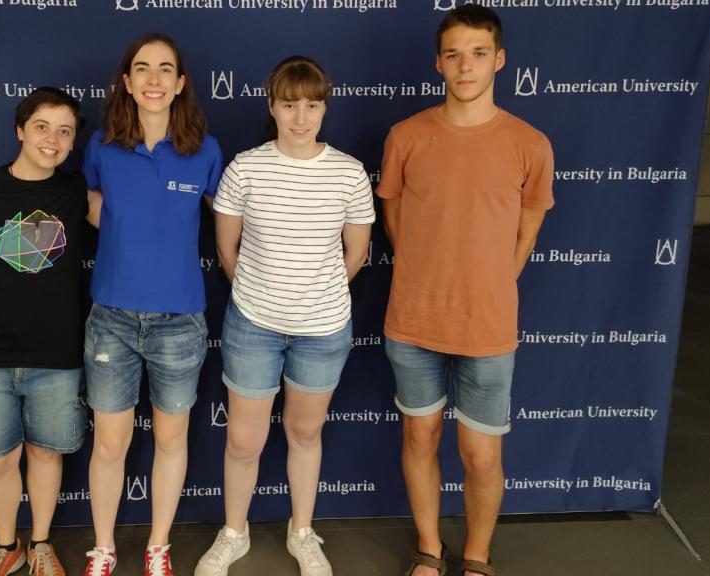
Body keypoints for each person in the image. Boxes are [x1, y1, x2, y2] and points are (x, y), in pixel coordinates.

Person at [376, 6, 555, 576]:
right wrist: (426, 271)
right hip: (414, 319)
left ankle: (477, 558)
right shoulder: (405, 136)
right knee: (420, 436)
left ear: (499, 60)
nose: (466, 65)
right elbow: (395, 217)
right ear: (438, 63)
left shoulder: (530, 144)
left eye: (478, 53)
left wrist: (489, 283)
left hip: (488, 325)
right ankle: (430, 550)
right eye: (453, 53)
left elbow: (526, 232)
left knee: (481, 453)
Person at [195, 56, 374, 576]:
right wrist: (265, 295)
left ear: (324, 107)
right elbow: (227, 249)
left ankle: (302, 533)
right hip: (253, 325)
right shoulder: (245, 168)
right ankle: (234, 532)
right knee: (243, 440)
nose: (301, 117)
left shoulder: (348, 172)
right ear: (271, 105)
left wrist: (310, 297)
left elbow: (356, 255)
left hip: (323, 331)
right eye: (290, 104)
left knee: (305, 434)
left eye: (313, 105)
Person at [80, 33, 223, 576]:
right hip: (112, 319)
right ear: (127, 82)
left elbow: (226, 218)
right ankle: (104, 548)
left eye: (166, 70)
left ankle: (158, 546)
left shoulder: (204, 150)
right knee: (110, 445)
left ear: (181, 83)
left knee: (170, 439)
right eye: (143, 69)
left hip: (180, 322)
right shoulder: (101, 146)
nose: (155, 79)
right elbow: (92, 203)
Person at [0, 87, 89, 576]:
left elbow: (138, 215)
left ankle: (41, 544)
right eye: (43, 126)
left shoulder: (74, 192)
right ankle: (8, 546)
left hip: (57, 355)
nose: (53, 139)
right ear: (20, 129)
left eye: (65, 131)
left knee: (46, 453)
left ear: (73, 142)